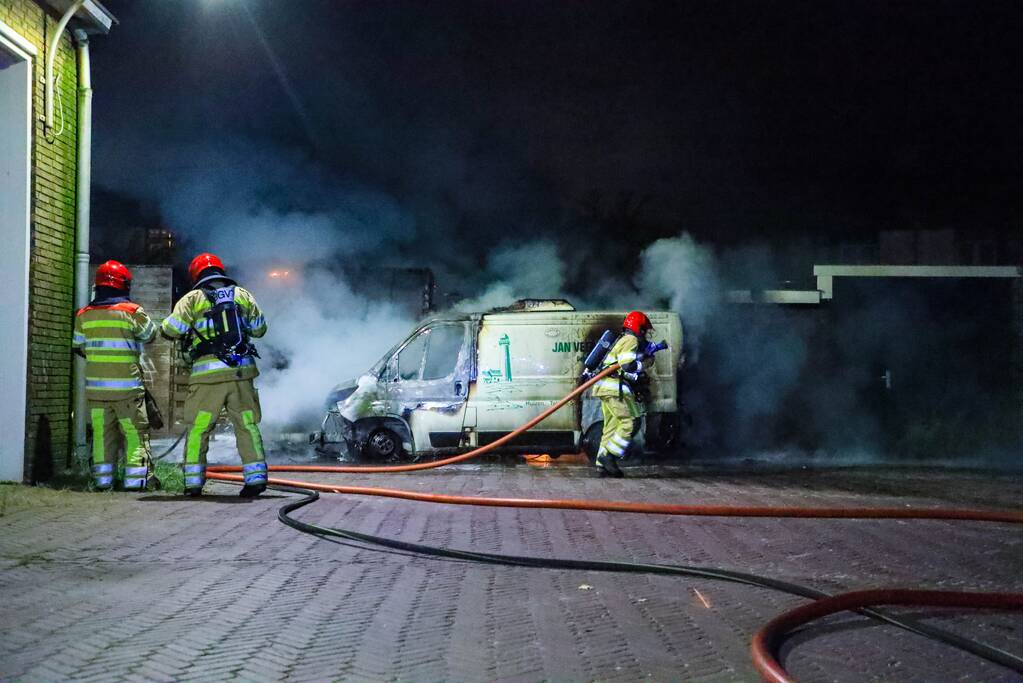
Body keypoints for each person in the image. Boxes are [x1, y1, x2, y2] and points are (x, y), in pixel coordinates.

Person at [160, 253, 269, 498]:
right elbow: (260, 329)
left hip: (207, 378)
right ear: (221, 270)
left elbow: (171, 329)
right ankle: (256, 479)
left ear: (196, 275)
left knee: (199, 428)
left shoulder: (192, 299)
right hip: (241, 373)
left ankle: (193, 483)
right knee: (247, 425)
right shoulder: (242, 295)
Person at [72, 260, 158, 491]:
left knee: (101, 436)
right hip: (127, 390)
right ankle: (135, 481)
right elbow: (150, 334)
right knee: (134, 433)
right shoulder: (132, 312)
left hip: (97, 391)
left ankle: (102, 481)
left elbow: (78, 347)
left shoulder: (83, 315)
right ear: (123, 285)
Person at [590, 311, 653, 477]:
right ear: (638, 328)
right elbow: (627, 366)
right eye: (644, 330)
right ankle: (609, 456)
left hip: (605, 387)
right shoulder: (630, 340)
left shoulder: (622, 339)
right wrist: (644, 363)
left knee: (611, 427)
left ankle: (601, 465)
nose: (645, 334)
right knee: (630, 423)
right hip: (613, 388)